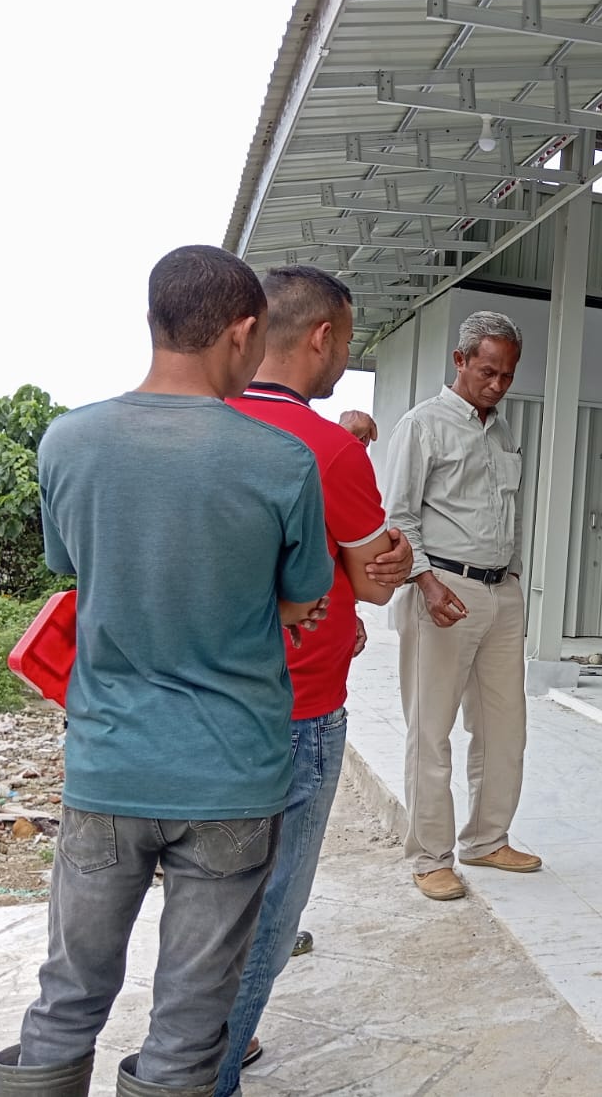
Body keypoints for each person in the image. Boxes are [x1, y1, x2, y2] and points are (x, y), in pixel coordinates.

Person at [0, 245, 335, 1097]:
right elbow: (304, 601)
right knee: (190, 1018)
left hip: (108, 767)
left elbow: (77, 565)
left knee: (67, 995)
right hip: (231, 778)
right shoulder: (281, 462)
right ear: (245, 331)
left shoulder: (69, 442)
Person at [214, 267, 413, 1096]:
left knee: (207, 900)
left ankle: (197, 1040)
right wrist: (374, 567)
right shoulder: (329, 447)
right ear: (322, 337)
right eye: (348, 338)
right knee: (271, 906)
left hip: (201, 701)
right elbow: (373, 576)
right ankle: (210, 1067)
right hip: (297, 707)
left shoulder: (205, 422)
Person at [381, 310, 538, 902]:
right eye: (488, 372)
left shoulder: (502, 430)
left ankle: (486, 839)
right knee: (431, 731)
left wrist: (513, 579)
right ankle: (430, 856)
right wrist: (424, 583)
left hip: (502, 592)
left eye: (507, 375)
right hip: (443, 590)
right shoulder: (423, 426)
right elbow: (398, 516)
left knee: (504, 728)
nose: (497, 385)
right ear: (461, 360)